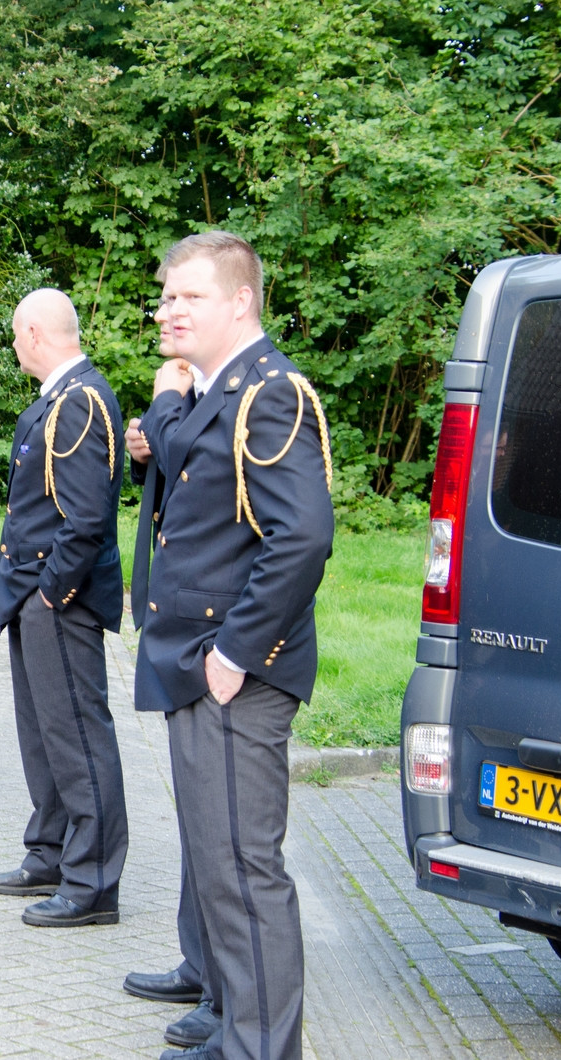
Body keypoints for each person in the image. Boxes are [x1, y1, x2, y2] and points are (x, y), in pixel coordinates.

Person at [126, 232, 334, 1060]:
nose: (169, 310)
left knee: (245, 872)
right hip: (197, 662)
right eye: (166, 296)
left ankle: (262, 1049)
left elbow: (303, 538)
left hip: (234, 672)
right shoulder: (220, 392)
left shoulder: (269, 395)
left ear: (241, 302)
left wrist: (234, 653)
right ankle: (235, 1029)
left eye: (190, 296)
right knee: (219, 865)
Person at [0, 288, 128, 928]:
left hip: (58, 598)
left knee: (76, 740)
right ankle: (50, 852)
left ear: (36, 334)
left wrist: (50, 594)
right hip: (34, 592)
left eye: (17, 334)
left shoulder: (78, 402)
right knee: (43, 734)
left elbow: (86, 517)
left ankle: (92, 882)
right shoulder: (62, 398)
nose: (15, 346)